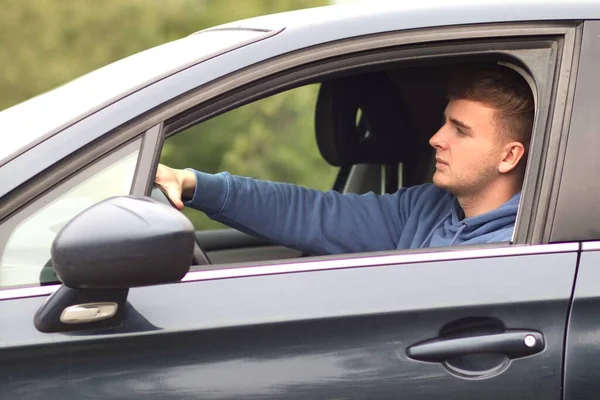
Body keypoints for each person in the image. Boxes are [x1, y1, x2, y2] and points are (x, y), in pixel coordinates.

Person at [155, 64, 534, 255]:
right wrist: (193, 184)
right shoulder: (426, 209)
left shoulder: (516, 246)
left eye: (460, 130)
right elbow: (311, 213)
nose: (436, 138)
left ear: (509, 156)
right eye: (443, 123)